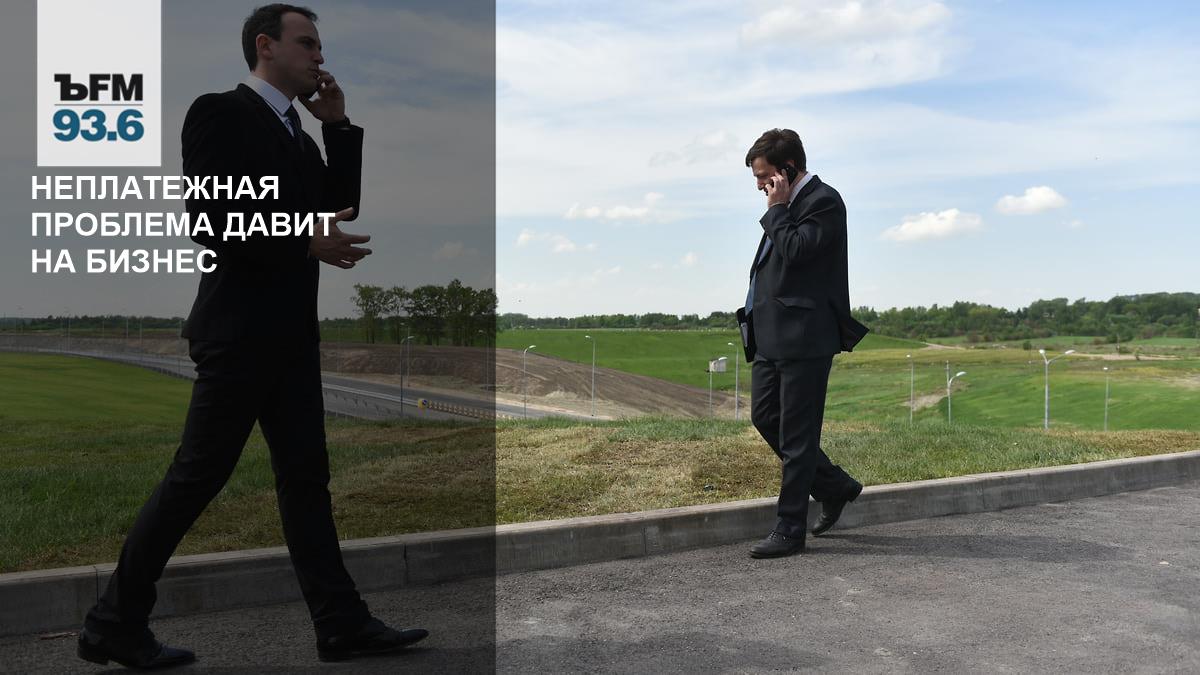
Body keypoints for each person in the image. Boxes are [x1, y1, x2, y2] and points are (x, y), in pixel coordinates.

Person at [78, 5, 427, 668]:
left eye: (320, 46)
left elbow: (338, 207)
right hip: (238, 333)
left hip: (290, 336)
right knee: (197, 476)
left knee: (306, 479)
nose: (320, 56)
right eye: (307, 43)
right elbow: (210, 218)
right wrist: (301, 238)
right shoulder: (221, 113)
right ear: (265, 45)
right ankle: (112, 623)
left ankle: (341, 623)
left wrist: (337, 127)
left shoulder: (299, 135)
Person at [739, 128, 869, 559]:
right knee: (765, 417)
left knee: (798, 438)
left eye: (764, 176)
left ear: (789, 169)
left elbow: (797, 251)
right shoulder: (787, 205)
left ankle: (790, 529)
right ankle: (834, 486)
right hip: (771, 339)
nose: (760, 185)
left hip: (805, 338)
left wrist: (777, 209)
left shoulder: (823, 202)